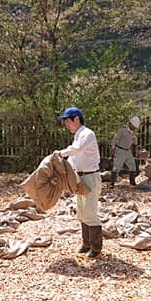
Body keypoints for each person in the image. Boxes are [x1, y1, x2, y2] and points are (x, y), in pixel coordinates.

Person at [54, 107, 103, 259]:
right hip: (80, 178)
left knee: (89, 213)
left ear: (77, 119)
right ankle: (86, 244)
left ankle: (96, 249)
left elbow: (76, 149)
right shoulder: (78, 135)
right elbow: (73, 158)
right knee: (81, 212)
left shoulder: (87, 134)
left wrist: (60, 153)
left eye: (68, 121)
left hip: (90, 177)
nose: (66, 125)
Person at [110, 115, 141, 187]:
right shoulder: (122, 130)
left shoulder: (133, 133)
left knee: (133, 166)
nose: (134, 128)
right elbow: (115, 139)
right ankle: (112, 183)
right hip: (120, 151)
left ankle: (132, 182)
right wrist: (113, 148)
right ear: (130, 124)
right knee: (116, 167)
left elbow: (134, 142)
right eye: (134, 126)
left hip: (128, 151)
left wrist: (137, 146)